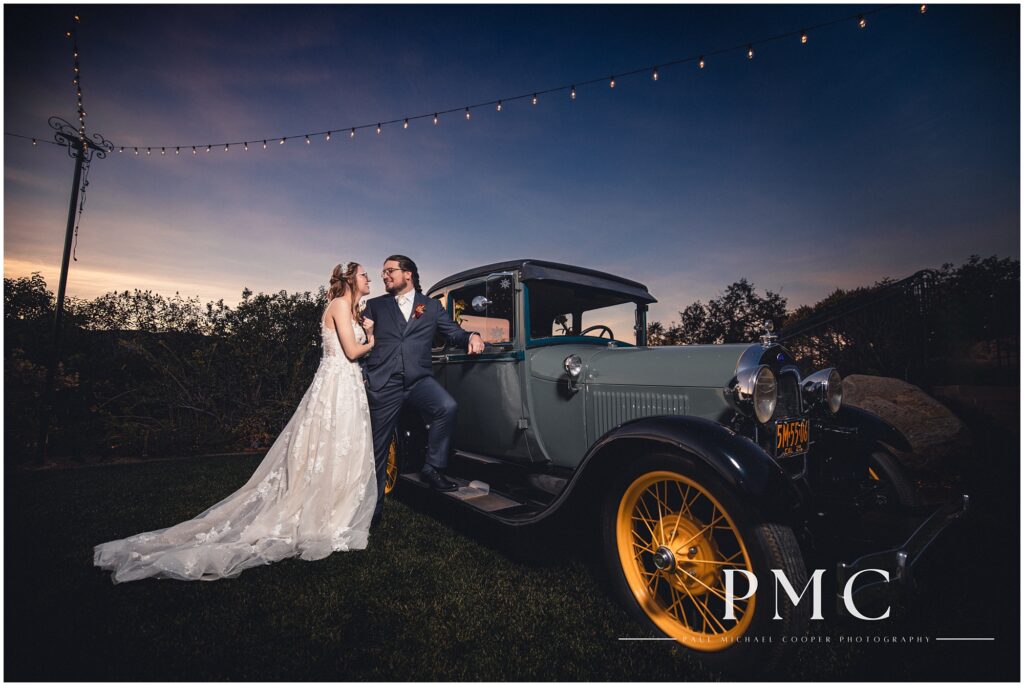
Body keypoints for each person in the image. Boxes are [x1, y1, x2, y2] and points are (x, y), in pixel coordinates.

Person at [94, 263, 378, 583]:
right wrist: (370, 336)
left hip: (345, 388)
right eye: (365, 274)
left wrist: (363, 326)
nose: (370, 279)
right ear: (351, 279)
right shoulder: (339, 304)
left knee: (340, 451)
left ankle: (332, 515)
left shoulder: (349, 309)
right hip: (336, 388)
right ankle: (316, 518)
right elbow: (353, 352)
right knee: (328, 450)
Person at [362, 255, 484, 519]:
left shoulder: (430, 307)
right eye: (382, 272)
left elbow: (453, 333)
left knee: (446, 407)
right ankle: (372, 510)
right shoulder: (374, 306)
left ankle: (432, 468)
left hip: (418, 380)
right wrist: (365, 375)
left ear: (408, 274)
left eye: (389, 270)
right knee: (378, 446)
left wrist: (472, 336)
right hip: (385, 382)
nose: (384, 275)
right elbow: (360, 342)